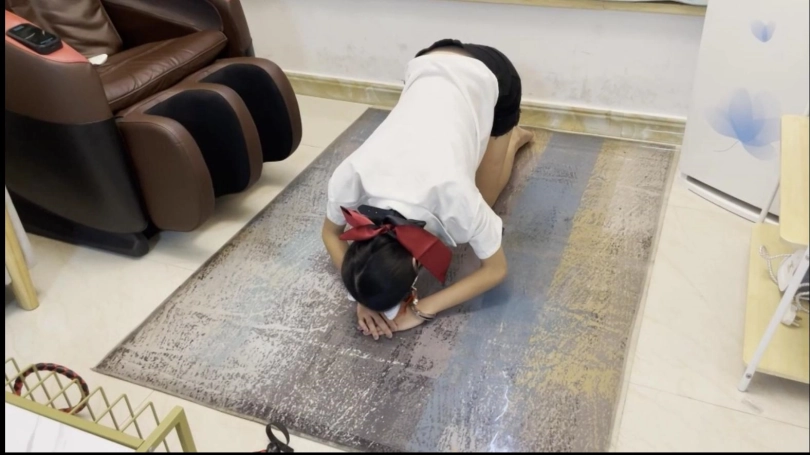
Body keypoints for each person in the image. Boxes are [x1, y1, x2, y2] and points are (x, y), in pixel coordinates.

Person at [321, 39, 533, 340]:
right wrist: (361, 294)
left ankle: (511, 139)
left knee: (486, 200)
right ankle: (495, 143)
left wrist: (422, 309)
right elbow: (329, 234)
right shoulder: (348, 176)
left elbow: (495, 270)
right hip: (426, 64)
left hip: (488, 71)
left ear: (415, 261)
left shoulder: (457, 198)